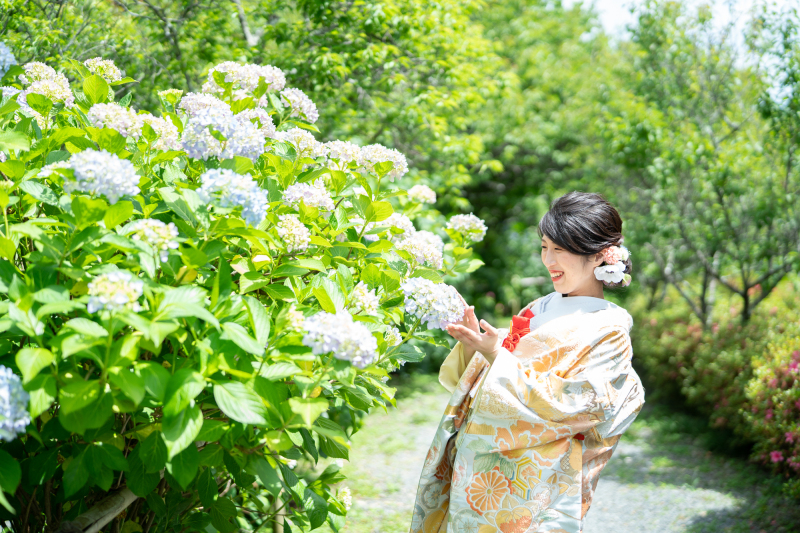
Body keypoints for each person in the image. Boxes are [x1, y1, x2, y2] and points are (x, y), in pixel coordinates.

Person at [410, 192, 645, 533]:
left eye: (560, 249)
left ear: (598, 255)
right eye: (545, 247)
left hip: (537, 480)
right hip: (477, 468)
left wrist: (494, 355)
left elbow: (576, 406)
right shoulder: (539, 307)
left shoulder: (609, 330)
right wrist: (475, 343)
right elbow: (489, 375)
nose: (549, 260)